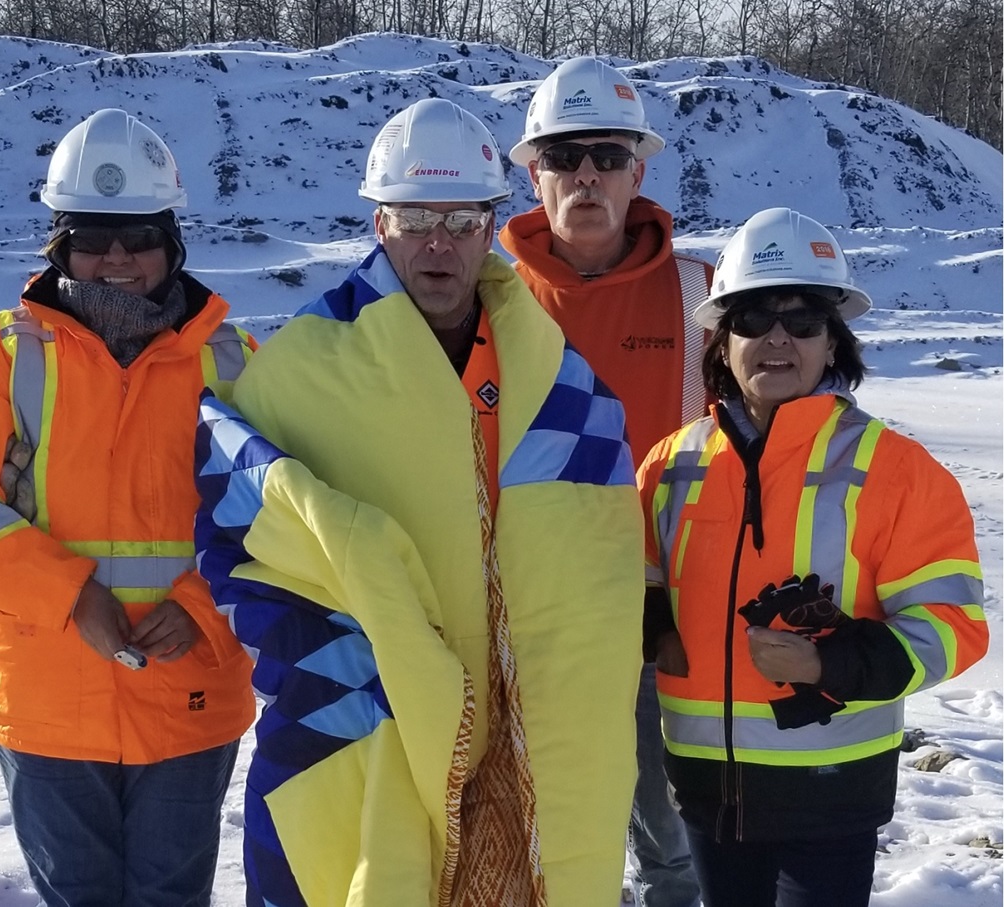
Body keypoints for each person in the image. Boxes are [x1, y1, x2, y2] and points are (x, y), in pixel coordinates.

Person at [193, 97, 645, 906]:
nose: (439, 243)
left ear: (490, 226)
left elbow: (594, 546)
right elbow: (247, 521)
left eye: (464, 220)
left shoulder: (553, 373)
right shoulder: (309, 363)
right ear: (379, 224)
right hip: (370, 703)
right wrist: (348, 641)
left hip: (524, 715)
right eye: (414, 218)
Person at [0, 108, 256, 907]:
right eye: (95, 236)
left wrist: (201, 604)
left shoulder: (234, 363)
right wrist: (70, 595)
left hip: (189, 693)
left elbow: (278, 512)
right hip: (48, 699)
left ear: (172, 243)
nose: (118, 258)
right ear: (60, 245)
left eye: (138, 235)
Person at [638, 207, 988, 907]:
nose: (776, 340)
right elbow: (639, 593)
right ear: (722, 340)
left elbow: (954, 628)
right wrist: (647, 625)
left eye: (802, 321)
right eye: (753, 319)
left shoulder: (894, 468)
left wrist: (826, 662)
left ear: (833, 342)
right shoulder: (669, 464)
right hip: (707, 790)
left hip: (833, 793)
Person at [499, 56, 707, 907]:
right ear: (536, 173)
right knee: (548, 821)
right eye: (563, 155)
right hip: (529, 607)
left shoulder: (702, 294)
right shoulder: (489, 293)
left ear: (639, 170)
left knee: (670, 827)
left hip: (668, 605)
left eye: (607, 155)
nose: (586, 174)